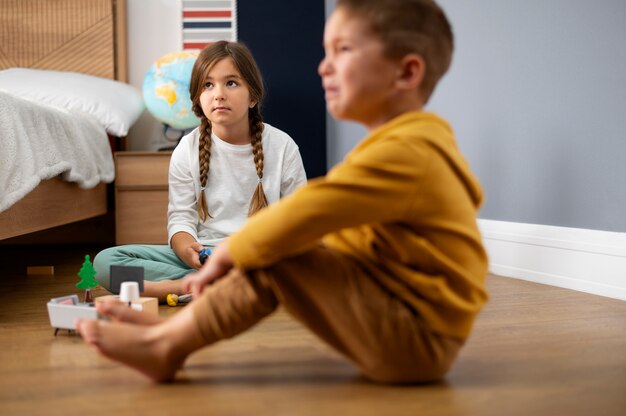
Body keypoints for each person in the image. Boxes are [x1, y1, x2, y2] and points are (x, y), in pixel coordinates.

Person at [78, 0, 489, 384]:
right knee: (111, 262)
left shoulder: (404, 152)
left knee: (275, 248)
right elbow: (185, 218)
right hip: (399, 323)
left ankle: (171, 339)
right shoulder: (405, 145)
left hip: (414, 342)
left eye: (342, 50)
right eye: (325, 52)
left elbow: (308, 210)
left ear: (406, 73)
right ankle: (183, 316)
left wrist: (240, 252)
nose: (323, 67)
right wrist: (200, 250)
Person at [93, 41, 307, 302]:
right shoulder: (187, 149)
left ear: (253, 96)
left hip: (258, 253)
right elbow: (181, 219)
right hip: (205, 256)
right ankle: (209, 284)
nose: (218, 94)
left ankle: (175, 289)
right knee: (106, 264)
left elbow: (298, 220)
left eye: (231, 83)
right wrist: (187, 251)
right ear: (197, 98)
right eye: (208, 85)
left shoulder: (282, 146)